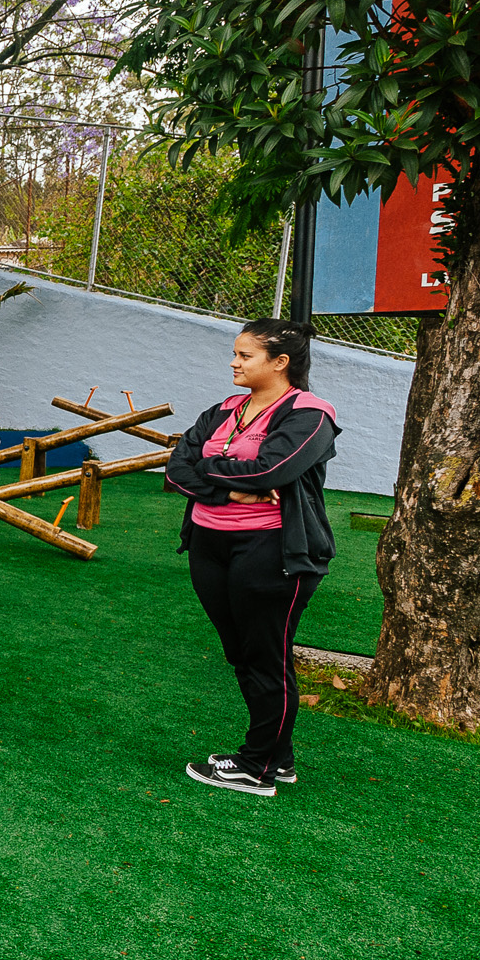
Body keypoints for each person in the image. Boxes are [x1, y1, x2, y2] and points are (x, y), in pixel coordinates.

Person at [165, 319, 339, 798]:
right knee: (241, 653)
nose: (233, 362)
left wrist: (211, 471)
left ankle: (256, 766)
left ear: (280, 362)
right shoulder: (224, 409)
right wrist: (227, 487)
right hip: (209, 544)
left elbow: (273, 470)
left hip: (273, 551)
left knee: (266, 656)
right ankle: (277, 757)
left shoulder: (310, 413)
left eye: (245, 356)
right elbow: (177, 468)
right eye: (235, 354)